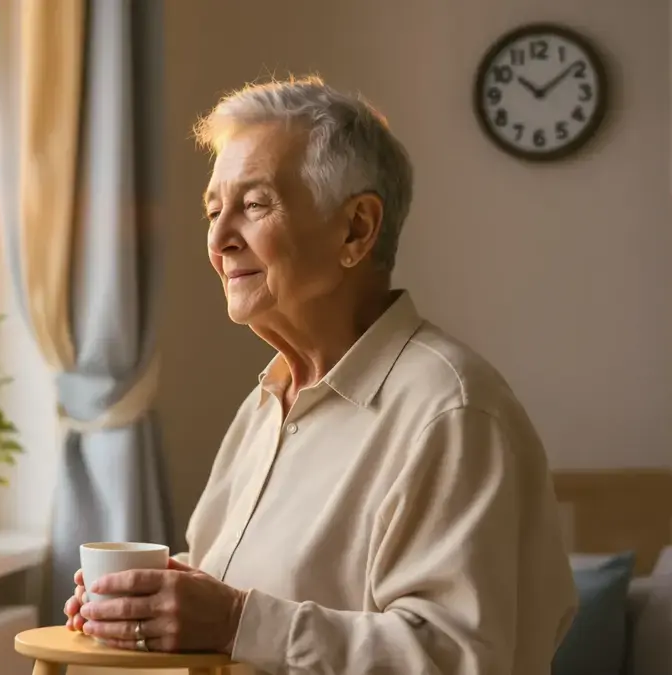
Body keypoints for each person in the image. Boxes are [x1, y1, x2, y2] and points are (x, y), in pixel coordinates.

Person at [63, 77, 578, 674]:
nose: (220, 239)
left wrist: (234, 621)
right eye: (213, 211)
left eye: (254, 205)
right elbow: (257, 600)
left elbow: (458, 659)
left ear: (357, 229)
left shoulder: (452, 411)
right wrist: (162, 601)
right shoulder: (266, 403)